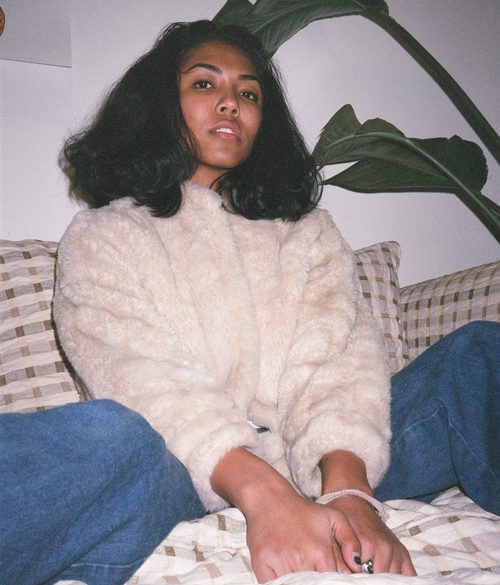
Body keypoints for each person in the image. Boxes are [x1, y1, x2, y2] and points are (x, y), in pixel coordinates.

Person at [1, 19, 498, 585]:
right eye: (204, 84)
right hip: (183, 470)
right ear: (162, 103)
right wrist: (265, 498)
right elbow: (144, 381)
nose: (231, 103)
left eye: (249, 93)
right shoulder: (103, 236)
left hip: (316, 455)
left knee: (477, 358)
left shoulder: (307, 232)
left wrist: (350, 492)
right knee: (108, 436)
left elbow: (338, 365)